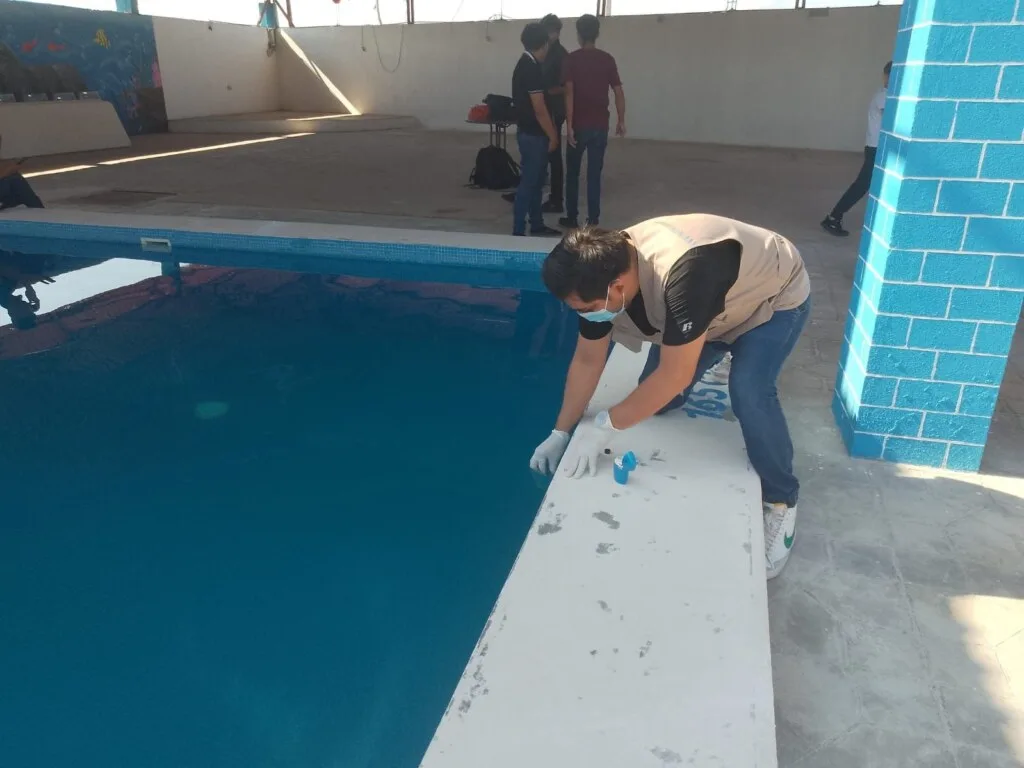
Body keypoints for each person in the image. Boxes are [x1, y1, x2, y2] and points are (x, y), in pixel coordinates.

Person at [529, 216, 811, 580]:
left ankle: (782, 499)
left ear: (617, 287)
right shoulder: (597, 277)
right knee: (659, 399)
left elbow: (675, 375)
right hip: (709, 308)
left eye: (586, 308)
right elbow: (587, 360)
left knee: (749, 391)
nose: (585, 315)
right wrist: (560, 432)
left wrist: (605, 426)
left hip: (770, 298)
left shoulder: (687, 274)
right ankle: (714, 347)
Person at [559, 14, 625, 230]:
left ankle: (572, 216)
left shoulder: (571, 60)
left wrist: (569, 125)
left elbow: (569, 93)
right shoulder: (607, 59)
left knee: (572, 173)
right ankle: (593, 218)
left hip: (579, 125)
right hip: (600, 125)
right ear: (596, 34)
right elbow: (618, 92)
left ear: (579, 34)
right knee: (594, 174)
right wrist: (621, 120)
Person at [821, 61, 891, 237]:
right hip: (876, 148)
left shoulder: (885, 93)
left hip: (878, 148)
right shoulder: (884, 96)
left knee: (872, 185)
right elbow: (891, 119)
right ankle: (833, 218)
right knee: (861, 186)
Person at [511, 22, 560, 237]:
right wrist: (553, 135)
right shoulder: (530, 69)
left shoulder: (525, 64)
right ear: (544, 44)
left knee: (536, 182)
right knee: (529, 183)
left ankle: (536, 223)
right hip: (534, 135)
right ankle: (519, 229)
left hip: (530, 132)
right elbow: (539, 109)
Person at [539, 13, 568, 215]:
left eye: (552, 31)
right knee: (538, 152)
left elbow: (567, 86)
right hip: (542, 108)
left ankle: (556, 200)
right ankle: (531, 191)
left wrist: (549, 91)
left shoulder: (561, 55)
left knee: (553, 154)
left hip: (555, 110)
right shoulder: (544, 52)